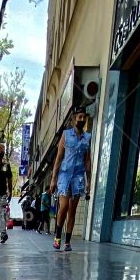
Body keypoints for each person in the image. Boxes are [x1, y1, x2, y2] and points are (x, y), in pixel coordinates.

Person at [50, 108, 91, 251]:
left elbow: (87, 161)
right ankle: (58, 237)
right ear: (74, 119)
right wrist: (53, 179)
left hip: (78, 177)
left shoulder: (87, 137)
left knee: (72, 210)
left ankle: (67, 242)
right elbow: (59, 157)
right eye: (79, 117)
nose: (82, 119)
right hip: (64, 175)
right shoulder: (66, 135)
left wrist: (89, 181)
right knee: (64, 207)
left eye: (84, 117)